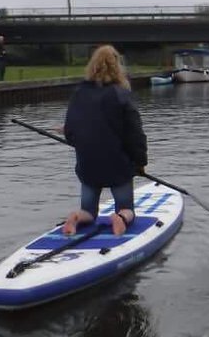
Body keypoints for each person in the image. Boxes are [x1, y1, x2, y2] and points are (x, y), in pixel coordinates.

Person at [61, 45, 148, 237]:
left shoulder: (79, 93)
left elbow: (70, 131)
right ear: (117, 66)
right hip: (117, 165)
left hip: (88, 164)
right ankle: (121, 218)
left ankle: (77, 217)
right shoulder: (121, 94)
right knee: (127, 208)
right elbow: (135, 134)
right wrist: (140, 163)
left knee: (89, 212)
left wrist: (81, 141)